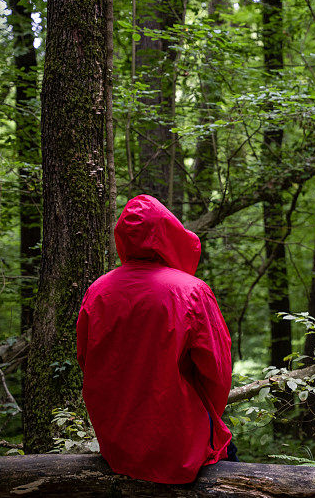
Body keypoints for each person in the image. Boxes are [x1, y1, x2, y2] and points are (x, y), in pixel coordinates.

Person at [76, 194, 236, 484]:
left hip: (119, 446)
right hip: (180, 445)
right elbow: (218, 372)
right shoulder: (192, 292)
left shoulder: (98, 291)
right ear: (168, 233)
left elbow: (87, 362)